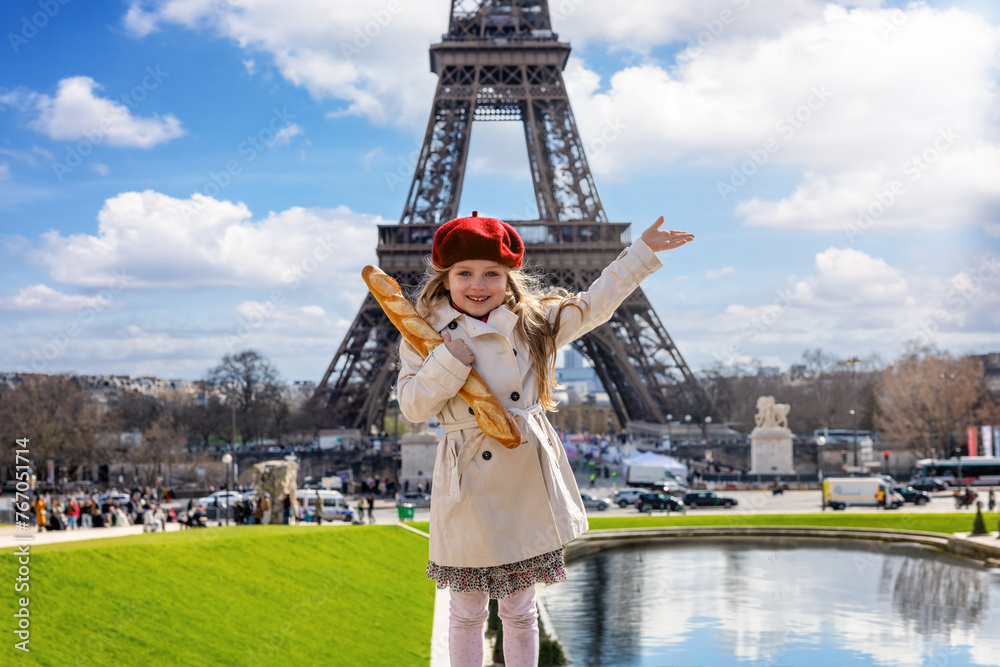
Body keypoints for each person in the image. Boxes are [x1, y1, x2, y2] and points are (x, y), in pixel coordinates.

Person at [397, 211, 693, 666]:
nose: (478, 284)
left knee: (519, 609)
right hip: (467, 479)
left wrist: (641, 252)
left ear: (509, 277)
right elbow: (414, 407)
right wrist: (447, 363)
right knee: (466, 610)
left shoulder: (534, 323)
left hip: (523, 475)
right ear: (446, 276)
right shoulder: (420, 334)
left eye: (492, 273)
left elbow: (596, 303)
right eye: (465, 273)